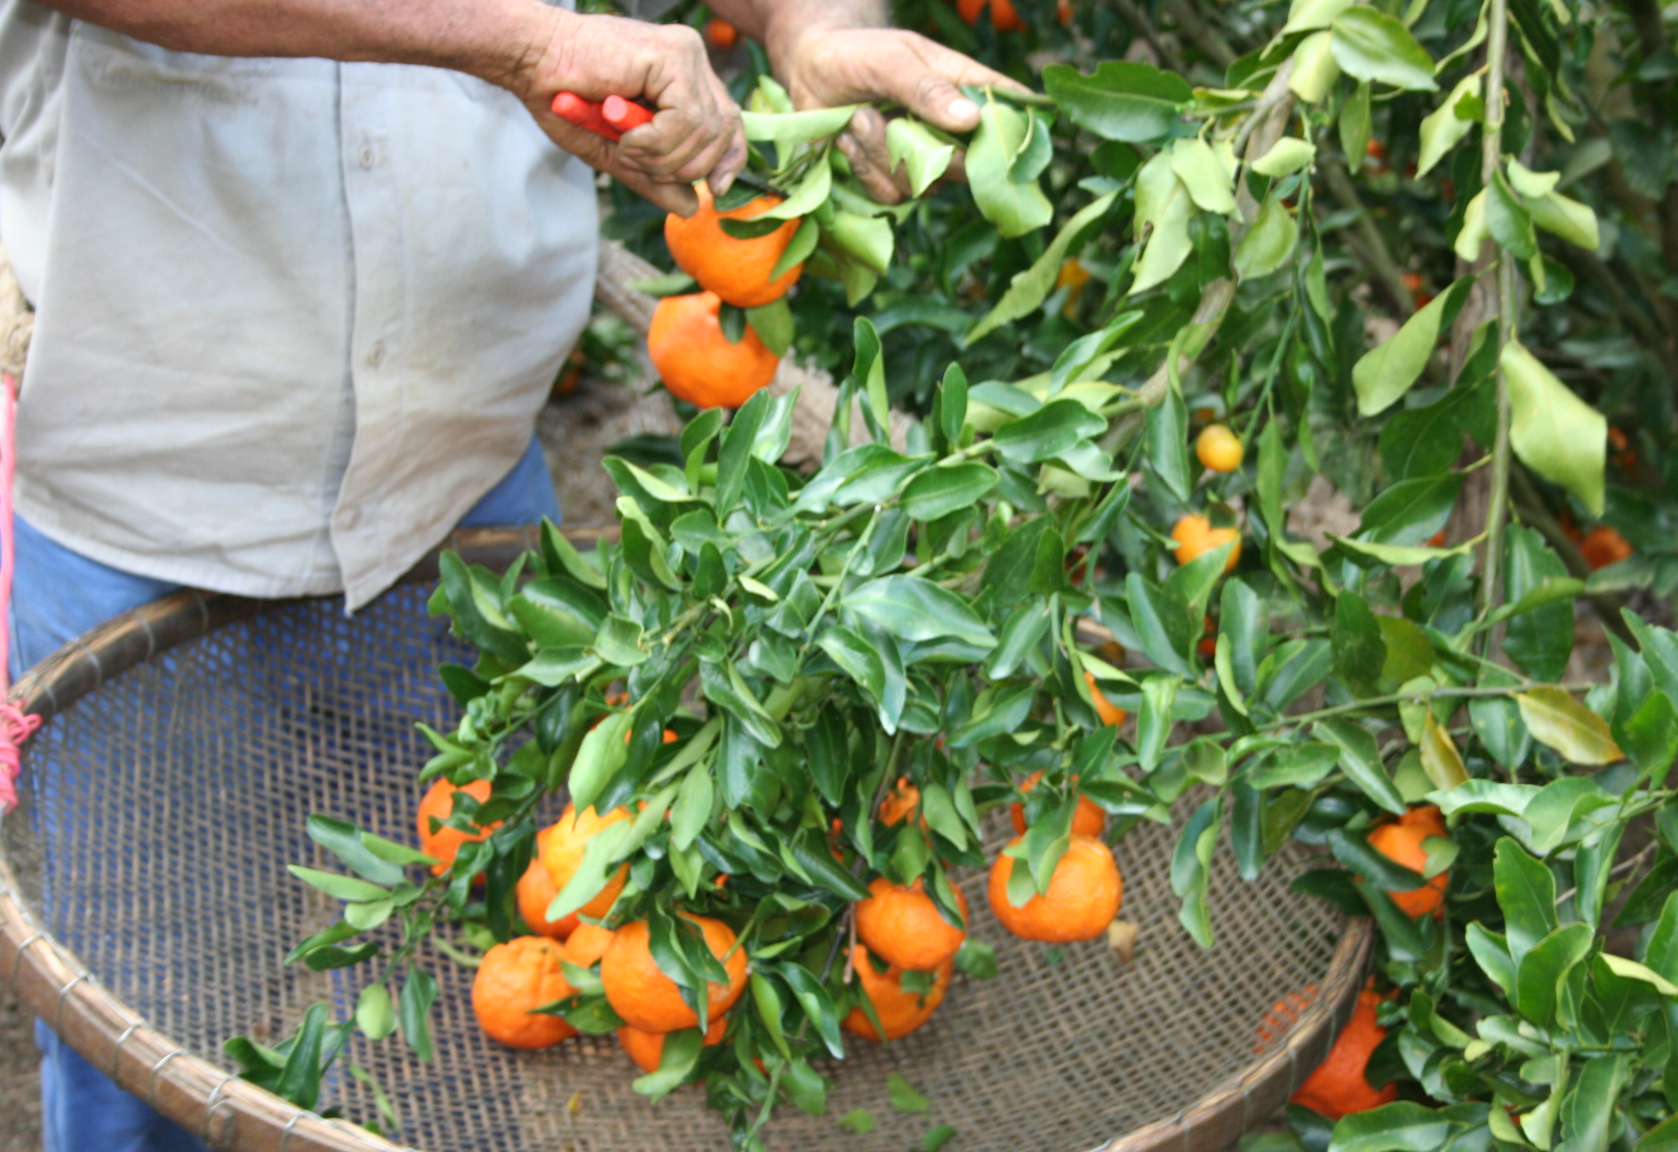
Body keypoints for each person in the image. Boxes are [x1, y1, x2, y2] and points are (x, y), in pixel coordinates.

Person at [0, 0, 1014, 1146]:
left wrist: (807, 25)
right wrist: (521, 45)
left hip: (463, 495)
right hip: (146, 517)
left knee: (450, 1006)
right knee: (144, 1015)